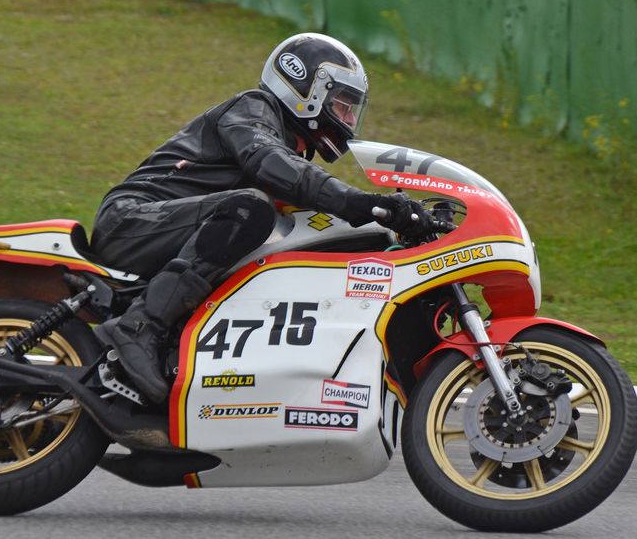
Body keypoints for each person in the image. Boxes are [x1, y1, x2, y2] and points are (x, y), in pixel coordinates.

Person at [92, 33, 428, 404]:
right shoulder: (252, 110)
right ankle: (138, 328)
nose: (348, 120)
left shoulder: (287, 150)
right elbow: (270, 162)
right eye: (342, 105)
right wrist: (362, 202)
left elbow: (306, 192)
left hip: (165, 229)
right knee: (249, 208)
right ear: (306, 89)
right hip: (130, 221)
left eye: (352, 110)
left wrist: (392, 224)